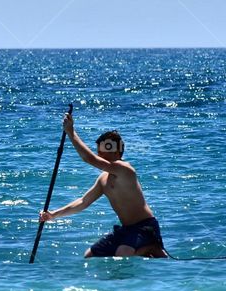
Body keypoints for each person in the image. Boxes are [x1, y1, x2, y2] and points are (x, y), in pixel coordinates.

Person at [38, 110, 167, 258]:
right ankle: (145, 251)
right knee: (90, 255)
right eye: (100, 151)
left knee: (122, 253)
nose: (101, 155)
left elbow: (89, 159)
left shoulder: (126, 170)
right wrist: (53, 215)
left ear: (118, 152)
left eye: (106, 151)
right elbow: (83, 201)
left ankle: (151, 247)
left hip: (145, 227)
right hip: (126, 229)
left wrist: (71, 132)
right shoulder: (103, 180)